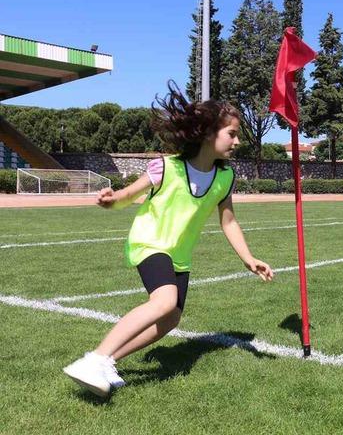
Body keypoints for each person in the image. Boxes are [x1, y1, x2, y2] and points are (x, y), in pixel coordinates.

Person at [62, 83, 274, 398]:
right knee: (163, 302)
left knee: (171, 318)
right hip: (150, 242)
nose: (237, 141)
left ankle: (108, 362)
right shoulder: (167, 167)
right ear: (208, 133)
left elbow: (228, 221)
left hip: (179, 254)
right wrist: (112, 200)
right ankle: (93, 359)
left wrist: (249, 258)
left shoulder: (225, 178)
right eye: (231, 133)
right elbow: (128, 195)